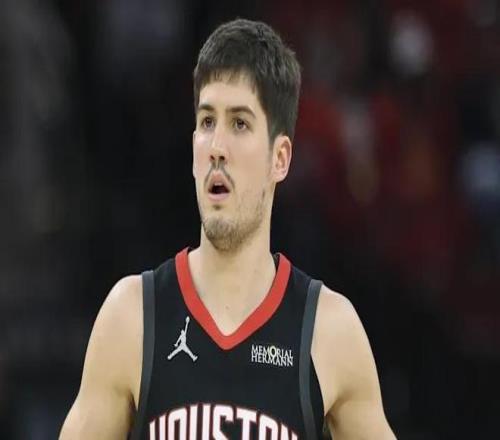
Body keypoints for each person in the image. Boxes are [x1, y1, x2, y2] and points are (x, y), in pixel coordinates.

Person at [60, 18, 396, 440]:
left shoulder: (328, 331)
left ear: (280, 158)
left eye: (239, 124)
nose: (217, 146)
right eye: (207, 122)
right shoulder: (132, 317)